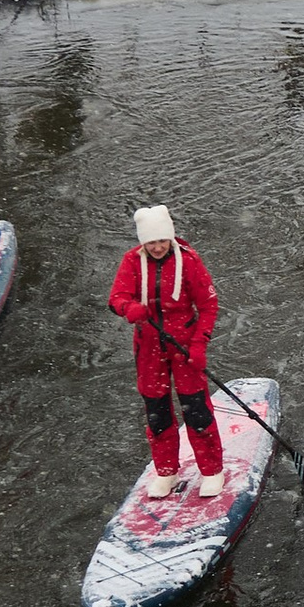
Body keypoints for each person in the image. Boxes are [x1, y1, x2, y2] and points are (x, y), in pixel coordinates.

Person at [106, 205, 226, 501]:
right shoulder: (131, 261)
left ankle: (212, 470)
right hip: (148, 348)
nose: (157, 247)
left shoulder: (189, 261)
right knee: (157, 413)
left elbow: (209, 306)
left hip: (184, 345)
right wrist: (129, 308)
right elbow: (116, 298)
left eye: (162, 241)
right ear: (143, 242)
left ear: (170, 238)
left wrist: (199, 344)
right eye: (151, 242)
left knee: (196, 410)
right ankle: (166, 471)